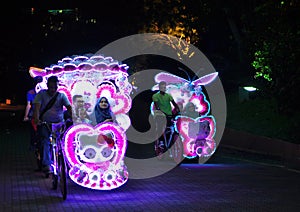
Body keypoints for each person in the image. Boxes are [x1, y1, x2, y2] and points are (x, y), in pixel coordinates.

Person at [33, 76, 72, 175]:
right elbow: (37, 108)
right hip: (45, 123)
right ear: (47, 86)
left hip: (59, 123)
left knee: (64, 142)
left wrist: (73, 118)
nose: (53, 90)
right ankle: (46, 164)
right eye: (51, 87)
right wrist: (37, 119)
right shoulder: (41, 95)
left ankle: (66, 162)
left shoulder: (61, 96)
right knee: (45, 141)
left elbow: (69, 108)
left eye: (55, 87)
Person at [152, 81, 180, 149]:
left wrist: (178, 109)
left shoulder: (168, 96)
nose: (163, 89)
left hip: (168, 114)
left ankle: (170, 139)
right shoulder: (155, 96)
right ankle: (161, 141)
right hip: (159, 114)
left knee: (172, 126)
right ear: (159, 88)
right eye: (162, 87)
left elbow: (174, 104)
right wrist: (159, 110)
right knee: (160, 126)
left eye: (164, 87)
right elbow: (156, 105)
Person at [23, 76, 43, 150]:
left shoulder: (31, 92)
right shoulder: (44, 92)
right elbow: (29, 105)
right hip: (38, 114)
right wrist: (26, 116)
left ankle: (33, 144)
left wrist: (26, 116)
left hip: (36, 114)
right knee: (35, 130)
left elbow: (29, 105)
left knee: (34, 131)